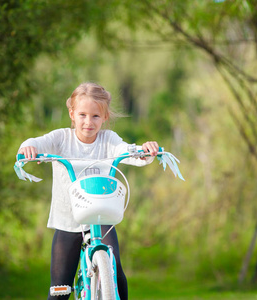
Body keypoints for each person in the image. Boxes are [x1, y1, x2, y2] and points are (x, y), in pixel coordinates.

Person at [18, 82, 160, 300]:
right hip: (68, 221)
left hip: (101, 217)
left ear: (105, 117)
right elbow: (38, 142)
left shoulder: (108, 140)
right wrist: (29, 148)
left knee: (116, 272)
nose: (88, 122)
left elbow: (128, 152)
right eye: (82, 115)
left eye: (95, 116)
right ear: (72, 114)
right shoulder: (61, 138)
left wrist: (145, 151)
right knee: (59, 289)